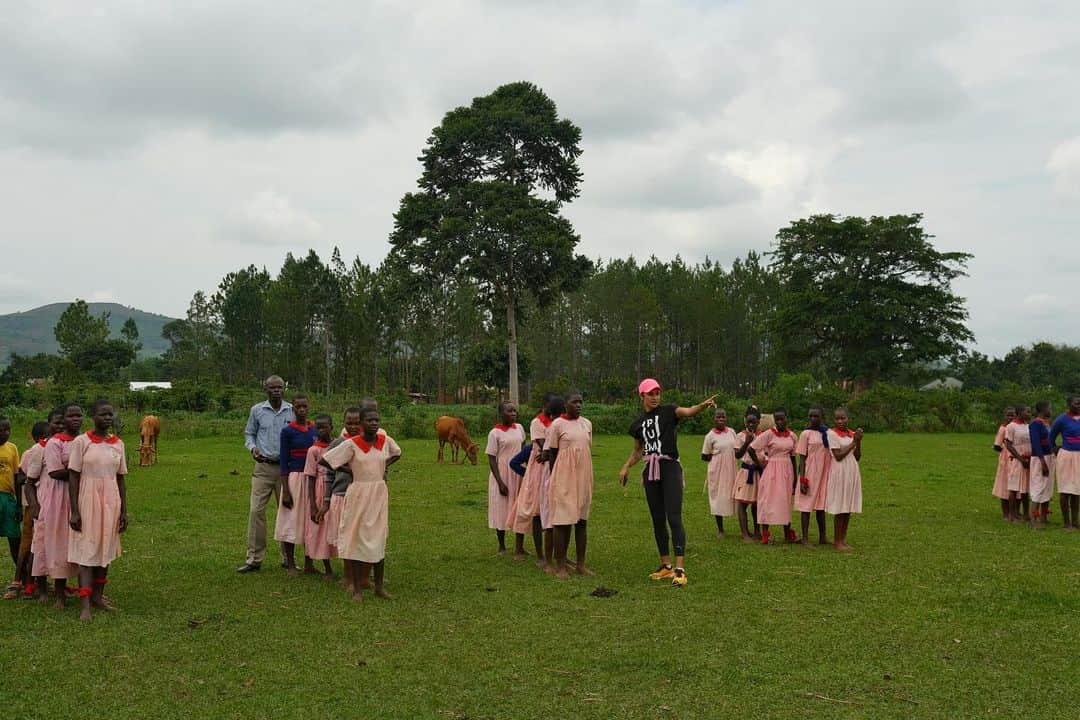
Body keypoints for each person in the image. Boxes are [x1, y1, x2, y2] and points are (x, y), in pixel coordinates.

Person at [619, 379, 716, 587]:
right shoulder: (637, 424)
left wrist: (702, 405)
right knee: (657, 518)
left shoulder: (669, 411)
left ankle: (679, 568)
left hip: (669, 467)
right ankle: (665, 565)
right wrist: (626, 466)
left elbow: (688, 412)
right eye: (650, 394)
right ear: (641, 396)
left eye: (657, 393)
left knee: (674, 516)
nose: (655, 397)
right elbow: (638, 450)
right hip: (651, 471)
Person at [321, 406, 401, 602]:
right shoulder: (352, 444)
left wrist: (384, 467)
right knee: (356, 536)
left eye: (377, 420)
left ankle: (379, 587)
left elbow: (397, 453)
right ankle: (356, 588)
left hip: (378, 493)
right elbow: (326, 460)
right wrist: (349, 471)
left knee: (378, 536)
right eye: (369, 420)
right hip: (358, 493)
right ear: (362, 424)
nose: (374, 423)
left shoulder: (384, 441)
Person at [67, 400, 128, 621]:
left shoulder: (118, 444)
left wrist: (124, 511)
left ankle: (98, 597)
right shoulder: (82, 442)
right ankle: (85, 604)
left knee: (106, 547)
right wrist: (74, 510)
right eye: (103, 414)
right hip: (87, 499)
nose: (108, 418)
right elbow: (73, 476)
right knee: (87, 549)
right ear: (93, 416)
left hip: (111, 501)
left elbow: (120, 478)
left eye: (110, 414)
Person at [238, 375, 295, 573]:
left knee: (286, 512)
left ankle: (288, 557)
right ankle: (254, 558)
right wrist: (252, 448)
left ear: (284, 389)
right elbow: (249, 433)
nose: (276, 390)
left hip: (286, 470)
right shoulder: (257, 410)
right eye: (272, 387)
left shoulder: (292, 410)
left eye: (280, 387)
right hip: (263, 468)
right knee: (256, 511)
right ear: (266, 389)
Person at [33, 403, 83, 606]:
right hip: (58, 497)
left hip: (79, 494)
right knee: (56, 542)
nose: (74, 420)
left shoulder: (83, 441)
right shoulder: (54, 443)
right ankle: (58, 594)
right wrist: (79, 472)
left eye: (79, 415)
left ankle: (84, 589)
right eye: (69, 417)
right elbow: (54, 471)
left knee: (78, 542)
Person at [546, 392, 595, 579]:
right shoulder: (557, 425)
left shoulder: (587, 424)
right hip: (563, 477)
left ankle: (580, 565)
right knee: (562, 521)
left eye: (581, 402)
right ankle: (561, 566)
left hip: (583, 476)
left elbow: (585, 450)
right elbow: (552, 453)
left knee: (581, 521)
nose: (579, 405)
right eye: (575, 402)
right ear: (565, 405)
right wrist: (554, 479)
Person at [320, 407, 364, 593]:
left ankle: (362, 576)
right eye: (349, 423)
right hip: (341, 495)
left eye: (356, 423)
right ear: (344, 423)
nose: (353, 426)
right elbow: (328, 468)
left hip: (363, 497)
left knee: (361, 536)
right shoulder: (338, 443)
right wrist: (327, 498)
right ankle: (348, 577)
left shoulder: (367, 443)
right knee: (346, 538)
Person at [274, 394, 317, 576]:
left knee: (311, 521)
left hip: (313, 479)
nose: (301, 410)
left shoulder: (314, 428)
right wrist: (285, 490)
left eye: (304, 406)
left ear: (308, 407)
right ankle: (291, 563)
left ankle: (309, 563)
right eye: (298, 407)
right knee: (291, 520)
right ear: (293, 408)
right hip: (294, 478)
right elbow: (284, 461)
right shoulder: (288, 431)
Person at [9, 421, 50, 600]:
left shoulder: (53, 449)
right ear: (39, 438)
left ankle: (34, 580)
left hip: (47, 505)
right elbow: (21, 477)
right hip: (32, 505)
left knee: (39, 544)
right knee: (28, 544)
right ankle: (19, 580)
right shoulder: (31, 452)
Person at [748, 407, 799, 546]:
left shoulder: (792, 436)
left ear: (787, 418)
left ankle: (787, 533)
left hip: (787, 470)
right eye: (777, 420)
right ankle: (765, 533)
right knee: (768, 499)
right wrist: (760, 464)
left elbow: (793, 457)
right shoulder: (769, 434)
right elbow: (751, 448)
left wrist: (795, 477)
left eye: (782, 419)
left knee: (785, 500)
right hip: (771, 469)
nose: (780, 422)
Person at [485, 402, 526, 557]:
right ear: (501, 413)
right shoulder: (494, 433)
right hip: (502, 474)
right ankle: (502, 546)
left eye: (515, 410)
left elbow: (523, 448)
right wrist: (500, 482)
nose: (513, 413)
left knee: (519, 507)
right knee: (501, 508)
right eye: (510, 411)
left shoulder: (520, 428)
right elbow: (491, 459)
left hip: (517, 472)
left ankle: (519, 546)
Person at [824, 408, 863, 551]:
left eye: (843, 418)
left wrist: (858, 442)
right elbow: (838, 455)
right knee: (840, 507)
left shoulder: (852, 434)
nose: (840, 421)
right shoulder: (831, 434)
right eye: (837, 419)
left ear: (848, 418)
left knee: (847, 507)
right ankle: (837, 541)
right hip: (839, 471)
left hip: (851, 471)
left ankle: (843, 539)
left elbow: (857, 456)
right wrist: (854, 442)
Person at [534, 394, 565, 571]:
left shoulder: (560, 426)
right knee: (549, 520)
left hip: (562, 475)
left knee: (559, 520)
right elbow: (546, 453)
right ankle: (548, 560)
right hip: (551, 476)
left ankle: (559, 557)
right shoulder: (554, 427)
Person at [304, 414, 335, 578]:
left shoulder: (338, 446)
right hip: (319, 491)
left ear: (332, 427)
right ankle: (327, 567)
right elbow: (310, 476)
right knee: (320, 528)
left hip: (336, 489)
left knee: (333, 526)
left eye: (325, 427)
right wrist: (313, 505)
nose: (322, 430)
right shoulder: (313, 450)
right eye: (318, 427)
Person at [794, 407, 831, 547]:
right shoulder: (805, 434)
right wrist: (802, 480)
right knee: (806, 506)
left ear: (822, 417)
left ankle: (823, 537)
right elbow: (802, 459)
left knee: (821, 506)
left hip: (824, 473)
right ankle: (805, 538)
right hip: (810, 473)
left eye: (816, 416)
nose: (812, 419)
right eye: (810, 416)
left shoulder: (828, 433)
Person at [700, 408, 737, 538]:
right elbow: (704, 455)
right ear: (714, 419)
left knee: (733, 494)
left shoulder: (732, 432)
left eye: (723, 417)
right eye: (718, 417)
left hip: (731, 468)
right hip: (717, 470)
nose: (721, 419)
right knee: (717, 497)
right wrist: (716, 458)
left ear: (726, 418)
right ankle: (720, 529)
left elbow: (737, 449)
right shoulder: (710, 436)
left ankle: (743, 526)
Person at [732, 409, 762, 543]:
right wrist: (746, 442)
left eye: (753, 422)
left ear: (758, 422)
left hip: (758, 472)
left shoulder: (763, 435)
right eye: (748, 422)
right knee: (743, 503)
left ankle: (757, 531)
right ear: (745, 421)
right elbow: (737, 455)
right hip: (745, 472)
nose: (751, 425)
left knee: (756, 503)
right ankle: (744, 533)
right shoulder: (740, 436)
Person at [1050, 395, 1080, 530]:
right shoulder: (1061, 419)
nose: (1079, 405)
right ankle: (1066, 523)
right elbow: (1051, 437)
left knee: (1077, 491)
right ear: (1069, 404)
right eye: (1076, 403)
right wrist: (1056, 449)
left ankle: (1075, 522)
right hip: (1067, 456)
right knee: (1065, 490)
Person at [0, 418, 20, 596]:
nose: (5, 433)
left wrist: (20, 503)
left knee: (15, 539)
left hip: (8, 498)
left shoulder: (12, 448)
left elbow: (16, 476)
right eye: (1, 429)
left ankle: (19, 578)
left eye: (7, 429)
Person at [1028, 400, 1055, 529]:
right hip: (1040, 458)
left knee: (1047, 487)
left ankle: (1044, 517)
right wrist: (1042, 461)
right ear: (1043, 410)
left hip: (1049, 456)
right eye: (1050, 408)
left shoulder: (1047, 423)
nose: (1051, 410)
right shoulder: (1035, 424)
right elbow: (1036, 443)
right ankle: (1033, 519)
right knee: (1038, 487)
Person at [1004, 405, 1032, 523]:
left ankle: (1025, 514)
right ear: (1020, 412)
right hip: (1017, 460)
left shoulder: (1028, 426)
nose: (1029, 414)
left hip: (1028, 460)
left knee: (1026, 489)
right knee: (1014, 488)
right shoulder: (1011, 426)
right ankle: (1012, 514)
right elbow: (1008, 444)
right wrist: (1020, 459)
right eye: (1027, 412)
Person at [991, 407, 1016, 521]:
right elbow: (997, 445)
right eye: (1008, 415)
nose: (1011, 417)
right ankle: (1005, 513)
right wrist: (1004, 452)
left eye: (1013, 415)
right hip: (1006, 460)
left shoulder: (1017, 427)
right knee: (1004, 486)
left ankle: (1015, 512)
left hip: (1016, 458)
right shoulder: (1003, 429)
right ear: (1004, 416)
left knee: (1016, 485)